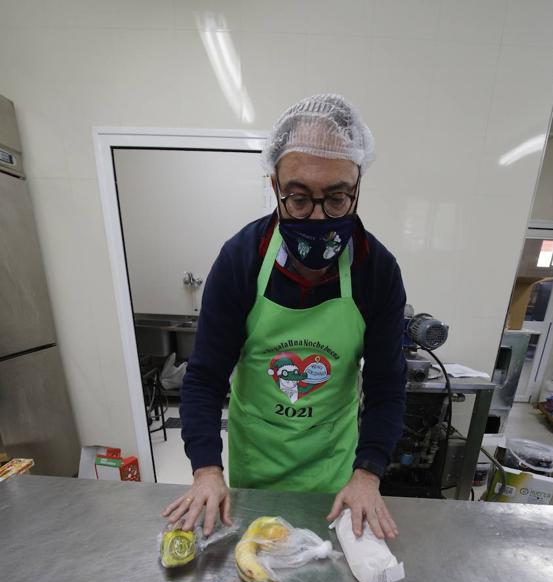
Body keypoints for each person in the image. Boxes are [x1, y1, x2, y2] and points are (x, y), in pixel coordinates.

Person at [162, 94, 406, 537]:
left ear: (357, 186)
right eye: (298, 199)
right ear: (274, 184)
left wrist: (368, 473)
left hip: (335, 473)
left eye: (336, 199)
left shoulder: (376, 269)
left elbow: (387, 385)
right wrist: (206, 470)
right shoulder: (242, 259)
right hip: (256, 465)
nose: (317, 216)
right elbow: (204, 378)